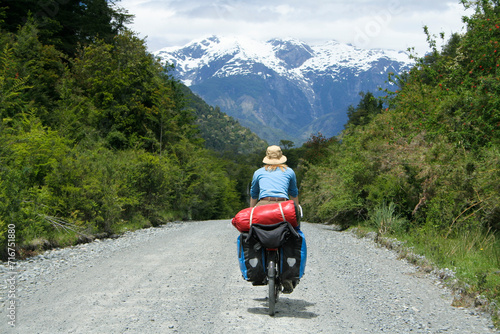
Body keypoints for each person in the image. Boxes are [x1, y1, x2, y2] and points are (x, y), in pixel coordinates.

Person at [249, 145, 300, 293]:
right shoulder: (289, 172)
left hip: (262, 206)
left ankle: (257, 271)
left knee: (256, 233)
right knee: (292, 235)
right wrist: (295, 211)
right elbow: (293, 193)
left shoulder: (258, 172)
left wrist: (252, 211)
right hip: (283, 207)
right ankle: (288, 276)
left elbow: (254, 194)